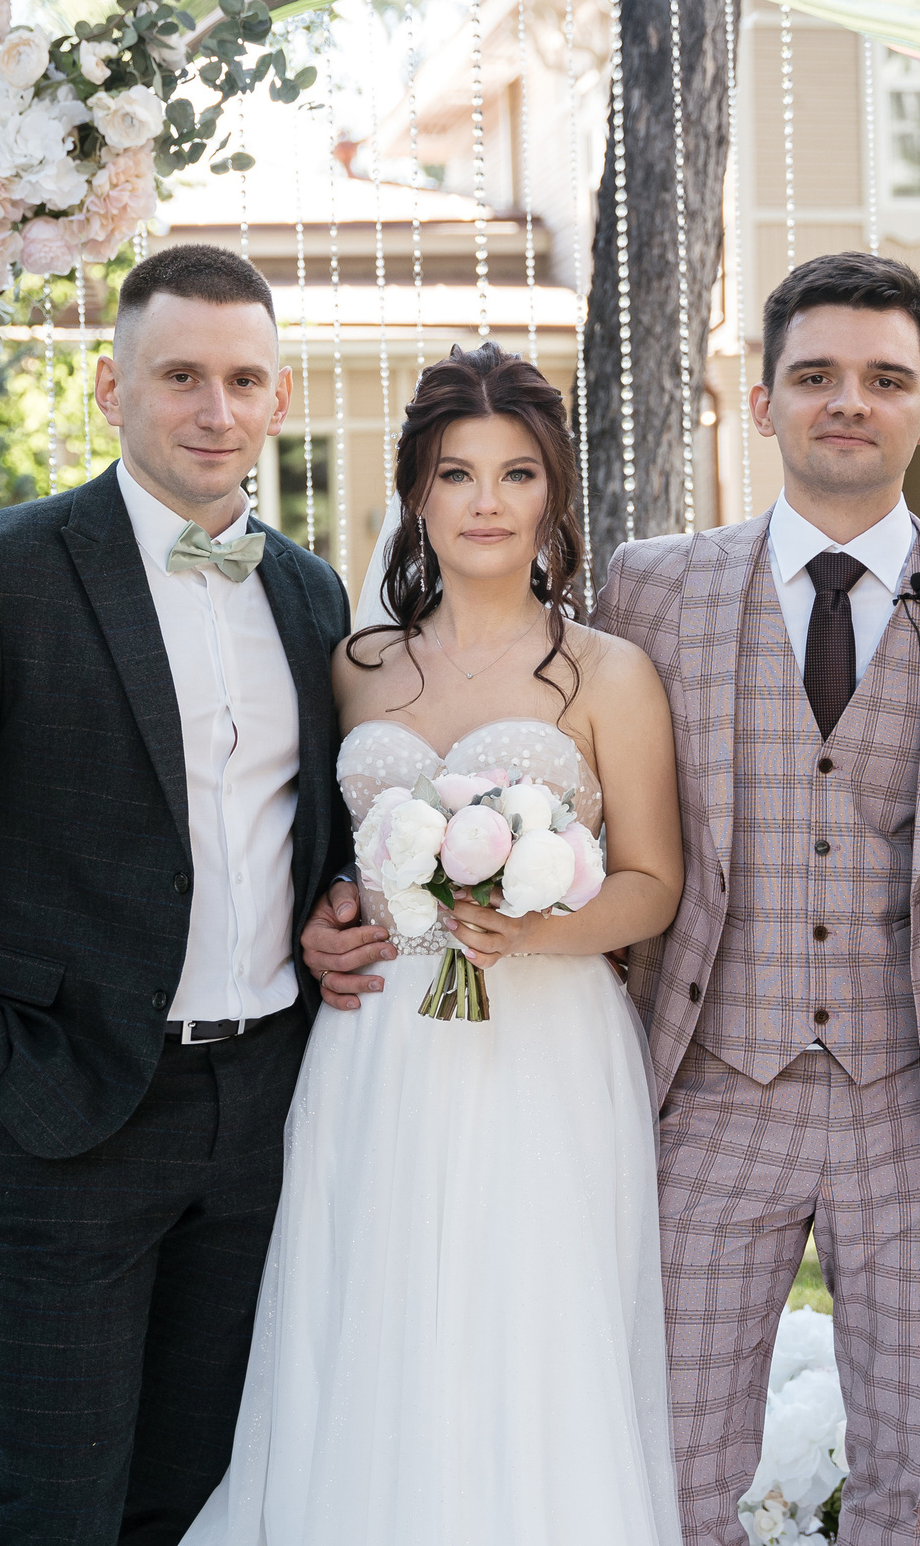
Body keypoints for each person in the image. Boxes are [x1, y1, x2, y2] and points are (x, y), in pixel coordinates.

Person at [301, 252, 920, 1546]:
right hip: (709, 1094)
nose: (851, 400)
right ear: (762, 401)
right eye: (816, 375)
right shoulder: (652, 587)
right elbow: (536, 755)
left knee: (914, 1489)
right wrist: (369, 886)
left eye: (886, 378)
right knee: (668, 1474)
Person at [0, 244, 354, 1546]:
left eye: (242, 379)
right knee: (52, 1506)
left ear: (278, 401)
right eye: (180, 375)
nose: (213, 408)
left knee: (195, 1494)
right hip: (68, 1109)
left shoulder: (310, 589)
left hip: (265, 1109)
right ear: (114, 385)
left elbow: (306, 829)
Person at [184, 342, 686, 1545]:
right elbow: (316, 856)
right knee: (375, 1313)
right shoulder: (353, 668)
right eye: (458, 475)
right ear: (417, 492)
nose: (486, 504)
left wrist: (537, 926)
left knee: (526, 1326)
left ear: (552, 494)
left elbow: (655, 884)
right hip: (376, 1049)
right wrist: (327, 920)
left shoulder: (608, 672)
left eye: (516, 476)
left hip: (545, 1049)